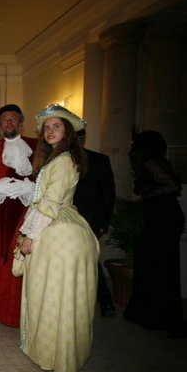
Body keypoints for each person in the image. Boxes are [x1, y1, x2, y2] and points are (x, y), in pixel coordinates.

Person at [17, 104, 98, 372]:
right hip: (62, 229)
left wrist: (30, 235)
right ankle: (53, 351)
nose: (50, 131)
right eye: (47, 127)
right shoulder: (59, 158)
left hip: (59, 235)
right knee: (57, 296)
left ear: (68, 132)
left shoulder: (63, 161)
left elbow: (50, 203)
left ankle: (57, 355)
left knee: (54, 296)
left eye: (57, 126)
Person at [123, 131, 187, 338]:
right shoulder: (154, 163)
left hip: (164, 221)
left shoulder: (152, 163)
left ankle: (157, 317)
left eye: (134, 144)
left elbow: (172, 186)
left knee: (159, 267)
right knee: (152, 265)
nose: (131, 147)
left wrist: (142, 197)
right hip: (161, 219)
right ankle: (149, 314)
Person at [0, 104, 36, 327]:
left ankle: (20, 314)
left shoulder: (36, 147)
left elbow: (44, 179)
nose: (9, 122)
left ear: (21, 122)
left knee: (23, 259)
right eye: (5, 119)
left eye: (13, 119)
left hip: (27, 214)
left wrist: (29, 188)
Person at [73, 131, 116, 317]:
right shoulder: (60, 159)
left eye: (78, 137)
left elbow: (108, 193)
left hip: (90, 220)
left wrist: (103, 222)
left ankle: (105, 303)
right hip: (65, 220)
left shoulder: (99, 160)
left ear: (83, 139)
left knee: (90, 261)